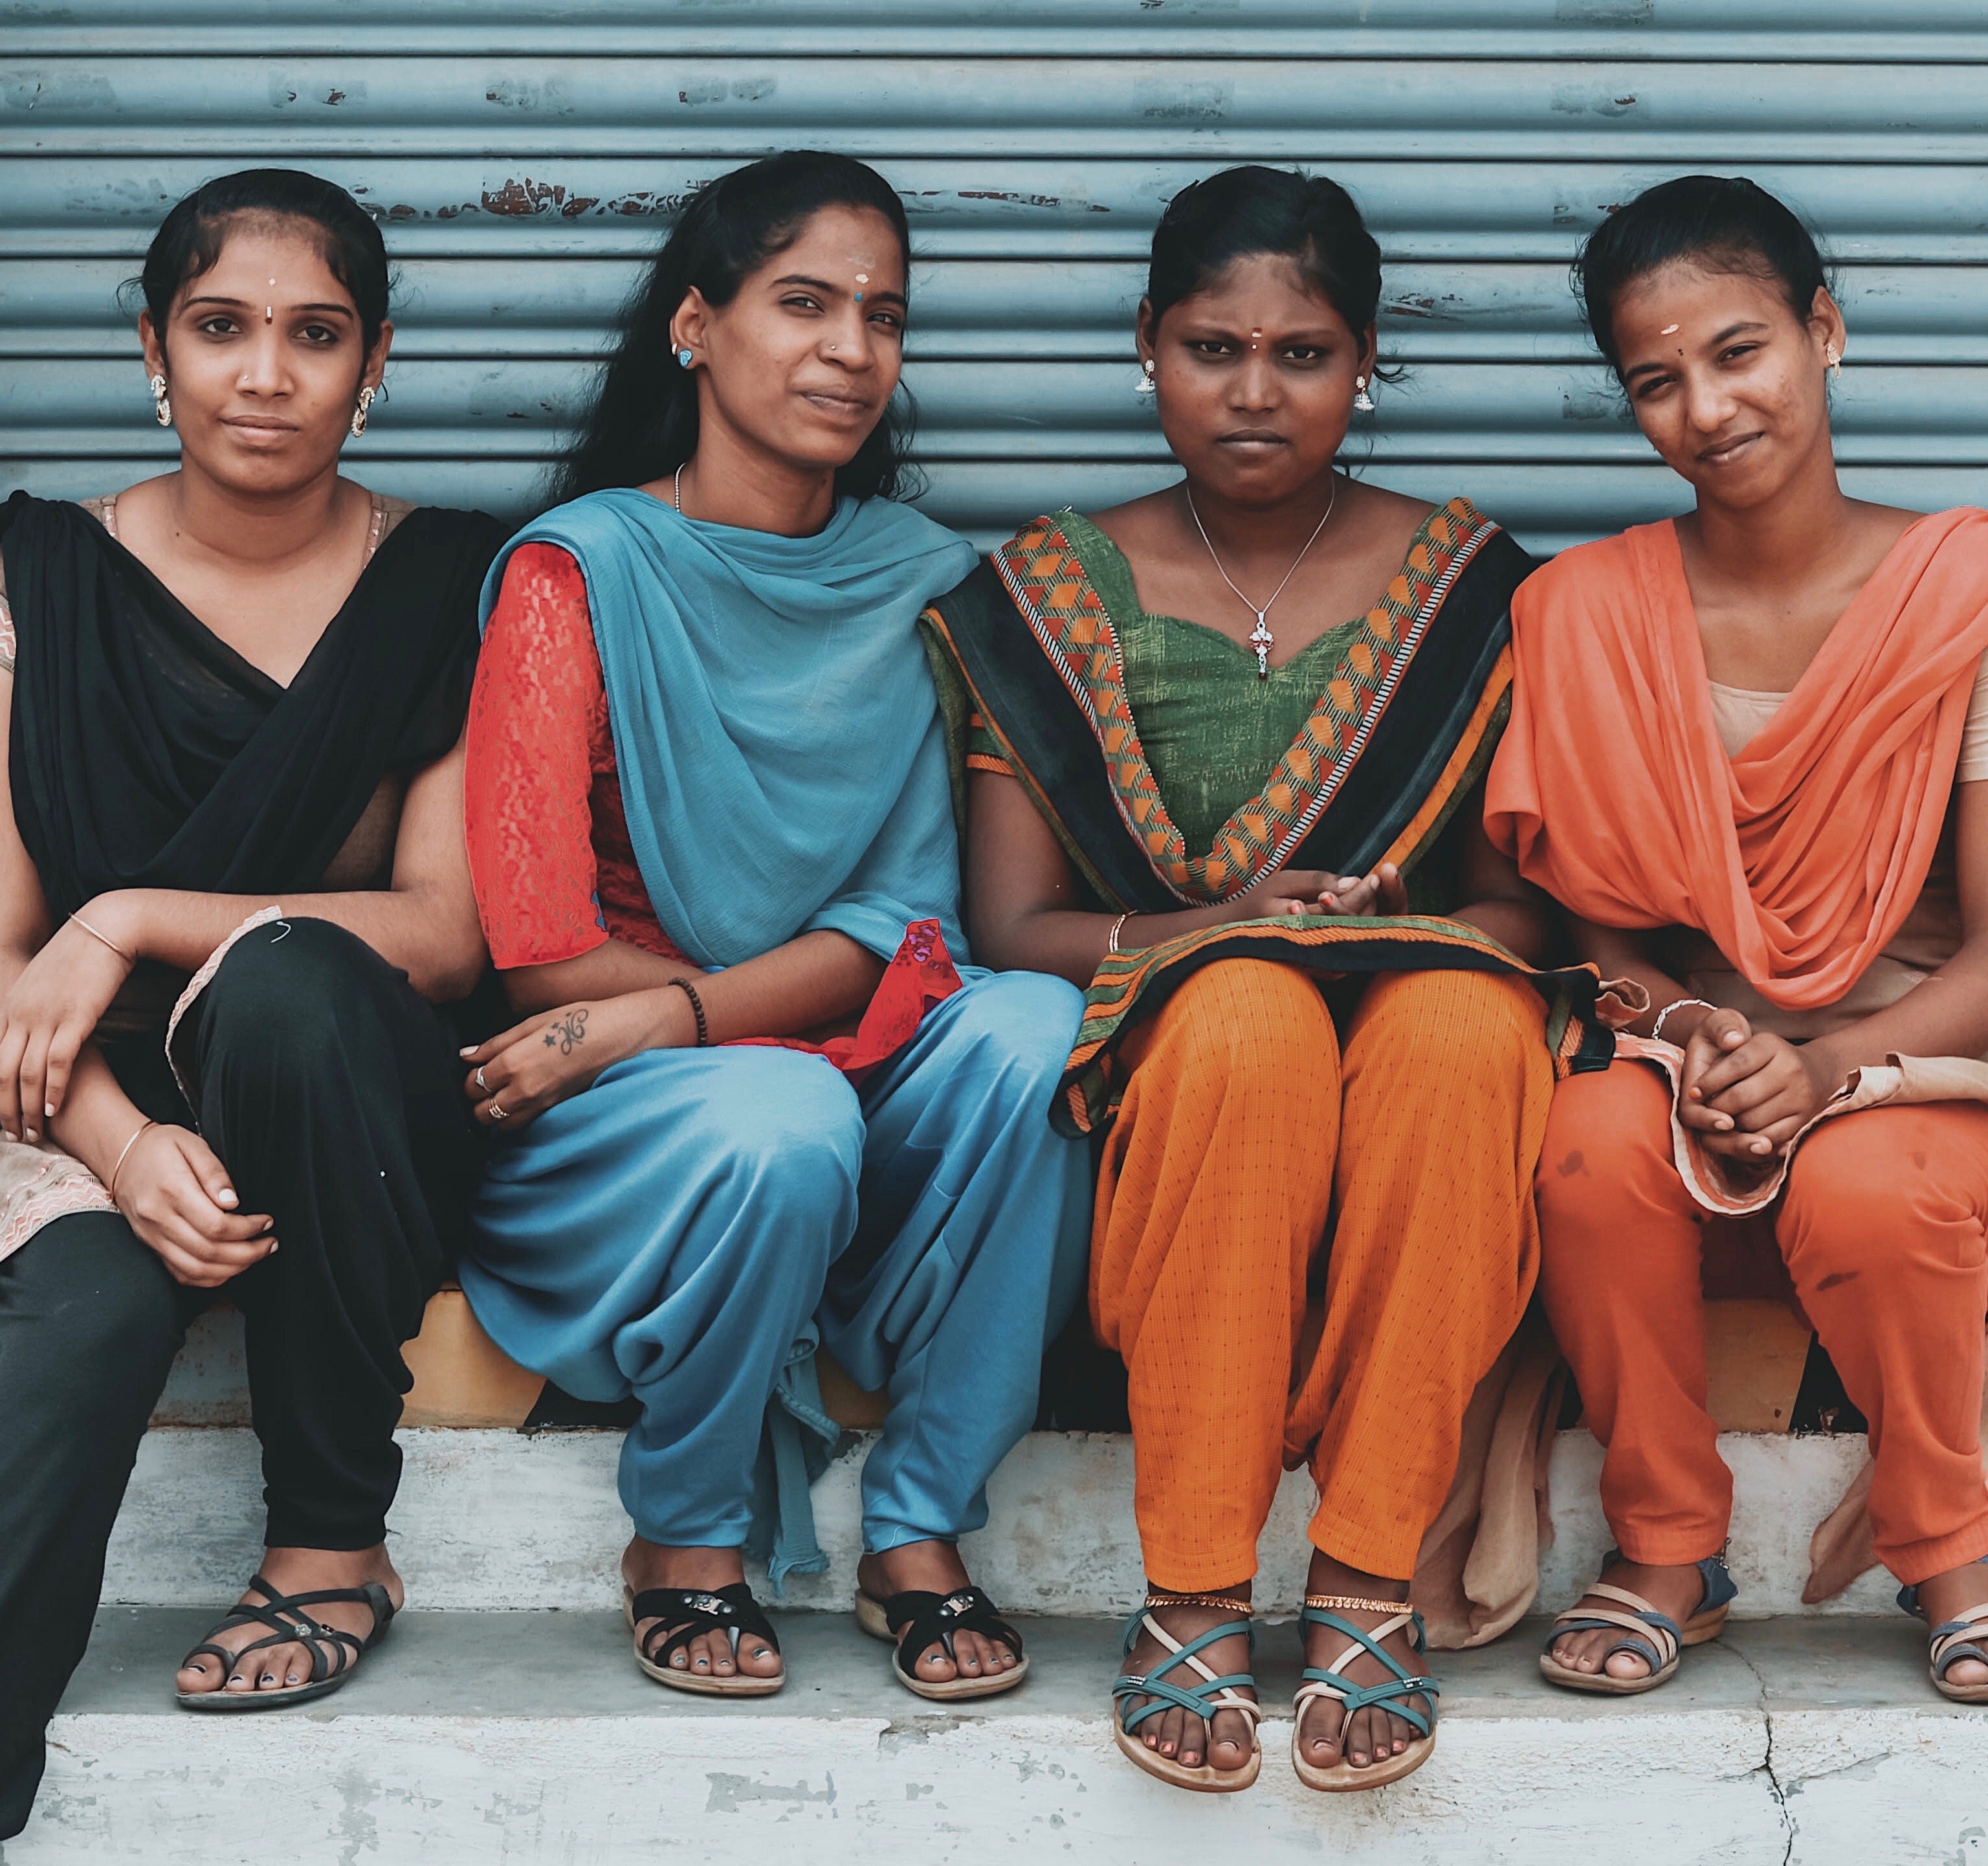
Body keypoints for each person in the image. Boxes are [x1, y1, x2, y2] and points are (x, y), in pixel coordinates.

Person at [927, 165, 1602, 1794]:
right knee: (1246, 1016)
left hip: (1426, 1025)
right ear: (1145, 347)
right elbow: (1014, 926)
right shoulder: (1046, 596)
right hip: (1189, 1036)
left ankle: (1369, 1572)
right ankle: (1199, 1589)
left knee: (1458, 1027)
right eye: (1211, 347)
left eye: (1300, 353)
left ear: (1364, 363)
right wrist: (1228, 929)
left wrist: (1370, 932)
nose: (1252, 391)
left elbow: (1522, 914)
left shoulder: (1482, 595)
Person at [456, 150, 1092, 1705]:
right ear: (697, 326)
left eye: (883, 315)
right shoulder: (575, 573)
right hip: (626, 1108)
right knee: (782, 1110)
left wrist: (685, 1008)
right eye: (802, 303)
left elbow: (922, 928)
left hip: (807, 1049)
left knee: (1041, 1030)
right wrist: (711, 1034)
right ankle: (684, 1533)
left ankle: (922, 1525)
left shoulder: (928, 585)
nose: (849, 351)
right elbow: (538, 952)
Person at [0, 168, 504, 1834]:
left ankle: (329, 1547)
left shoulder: (444, 586)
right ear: (154, 349)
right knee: (88, 1319)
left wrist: (133, 912)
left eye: (316, 335)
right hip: (67, 1111)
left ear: (376, 367)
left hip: (346, 1098)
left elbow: (440, 933)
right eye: (221, 329)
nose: (266, 376)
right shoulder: (37, 581)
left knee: (291, 976)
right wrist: (122, 1144)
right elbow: (0, 962)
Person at [1487, 175, 1988, 1704]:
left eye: (1739, 350)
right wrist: (1693, 1032)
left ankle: (1955, 1548)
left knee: (1872, 1183)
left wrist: (1831, 1061)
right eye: (1656, 379)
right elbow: (1591, 929)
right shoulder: (1581, 614)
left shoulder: (1966, 594)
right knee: (1583, 1145)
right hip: (1687, 1051)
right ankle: (1663, 1546)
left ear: (1823, 333)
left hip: (1922, 1054)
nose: (1705, 407)